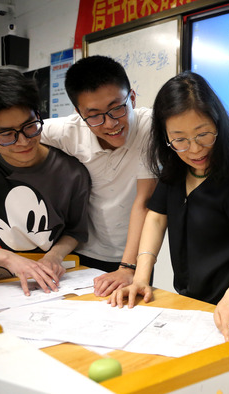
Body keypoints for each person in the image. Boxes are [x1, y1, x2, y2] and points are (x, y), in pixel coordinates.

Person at [108, 71, 229, 341]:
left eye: (203, 134)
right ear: (165, 137)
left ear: (217, 123)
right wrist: (140, 277)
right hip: (189, 306)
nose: (194, 149)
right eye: (179, 139)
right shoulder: (175, 166)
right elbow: (157, 217)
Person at [40, 56, 157, 297]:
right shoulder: (69, 131)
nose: (111, 123)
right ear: (79, 113)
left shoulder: (150, 128)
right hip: (83, 251)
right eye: (94, 115)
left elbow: (143, 202)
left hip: (136, 257)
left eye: (117, 108)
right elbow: (10, 133)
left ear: (132, 98)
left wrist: (128, 267)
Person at [0, 68, 90, 296]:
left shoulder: (71, 173)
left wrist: (54, 256)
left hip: (43, 289)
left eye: (30, 126)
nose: (24, 141)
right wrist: (9, 259)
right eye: (6, 134)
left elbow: (75, 231)